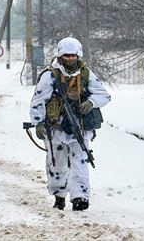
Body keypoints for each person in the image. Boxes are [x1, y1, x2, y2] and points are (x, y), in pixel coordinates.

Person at [30, 37, 110, 211]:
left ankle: (80, 197)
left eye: (73, 56)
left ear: (78, 55)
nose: (70, 59)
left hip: (79, 128)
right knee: (56, 164)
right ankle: (59, 196)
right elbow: (38, 101)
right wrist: (38, 123)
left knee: (80, 163)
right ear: (60, 55)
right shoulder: (50, 75)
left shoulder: (85, 73)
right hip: (56, 128)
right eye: (67, 56)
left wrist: (91, 103)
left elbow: (104, 95)